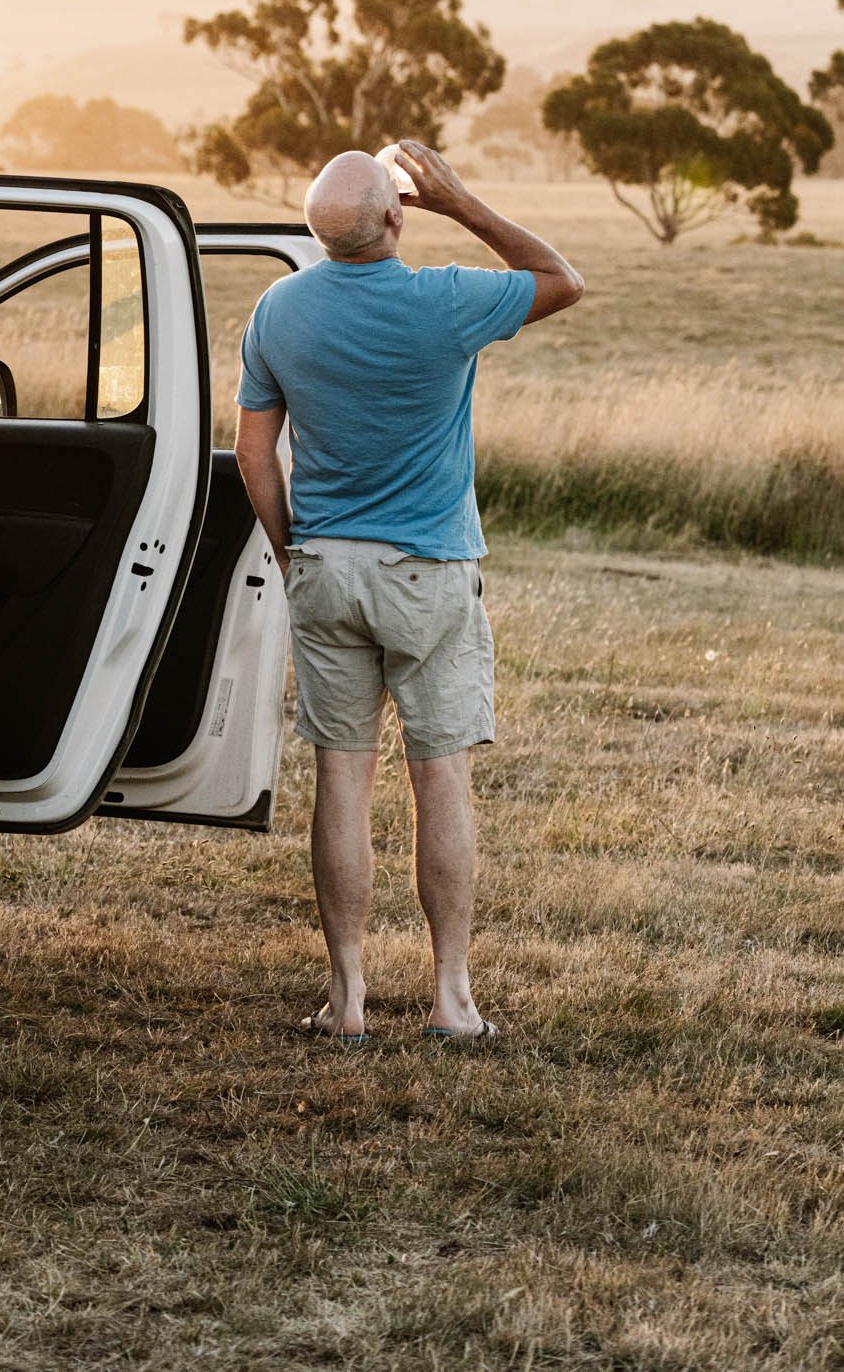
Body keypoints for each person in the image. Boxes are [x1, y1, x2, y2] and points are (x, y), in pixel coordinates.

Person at [234, 140, 584, 1043]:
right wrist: (461, 202)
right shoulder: (445, 302)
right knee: (440, 781)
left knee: (341, 781)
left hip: (324, 566)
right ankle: (451, 999)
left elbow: (251, 452)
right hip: (426, 573)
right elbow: (560, 279)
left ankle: (346, 999)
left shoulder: (276, 309)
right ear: (396, 218)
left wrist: (291, 557)